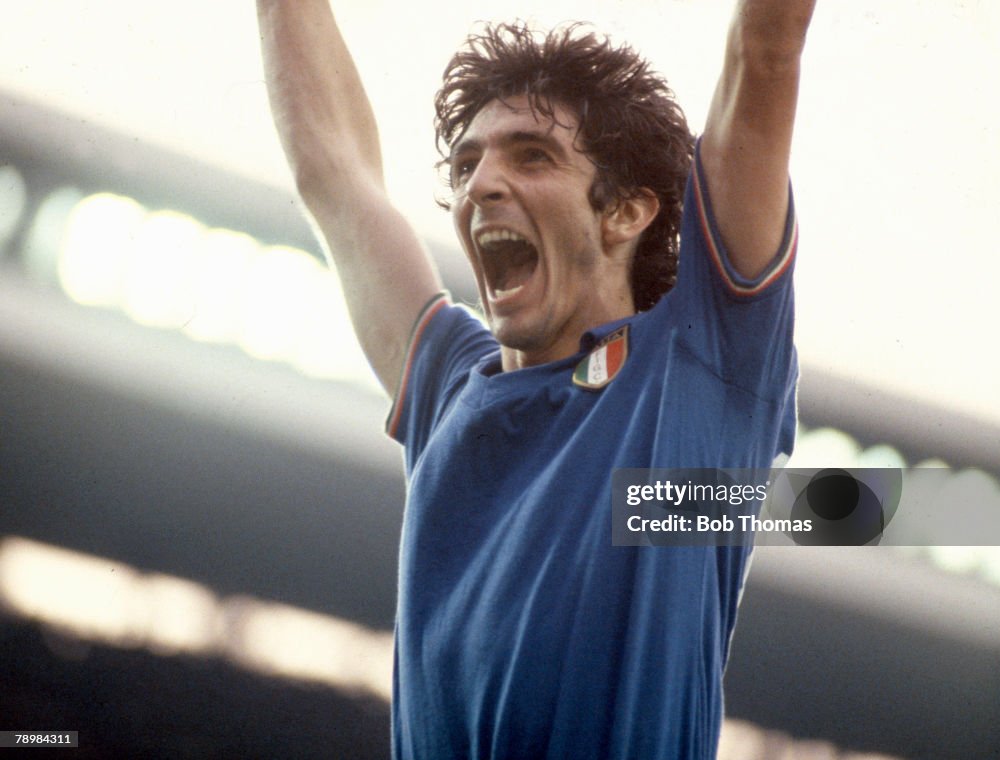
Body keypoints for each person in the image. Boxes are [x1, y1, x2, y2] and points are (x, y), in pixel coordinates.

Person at [257, 1, 816, 757]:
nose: (480, 182)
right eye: (466, 163)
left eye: (531, 155)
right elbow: (330, 169)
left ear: (625, 211)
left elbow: (766, 49)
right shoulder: (448, 391)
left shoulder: (701, 358)